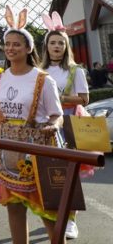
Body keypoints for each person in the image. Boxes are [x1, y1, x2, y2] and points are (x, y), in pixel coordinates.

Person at [0, 6, 64, 244]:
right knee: (14, 209)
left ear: (29, 48)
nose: (10, 48)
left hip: (38, 150)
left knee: (48, 213)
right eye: (7, 44)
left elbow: (56, 115)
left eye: (16, 44)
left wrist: (54, 126)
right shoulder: (0, 77)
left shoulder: (43, 80)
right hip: (7, 151)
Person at [39, 13, 89, 240]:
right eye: (53, 42)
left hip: (69, 123)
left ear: (66, 46)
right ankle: (55, 214)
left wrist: (60, 99)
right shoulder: (38, 70)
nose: (57, 46)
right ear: (46, 46)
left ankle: (71, 220)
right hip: (46, 126)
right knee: (49, 173)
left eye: (60, 43)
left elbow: (84, 98)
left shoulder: (75, 70)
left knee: (71, 173)